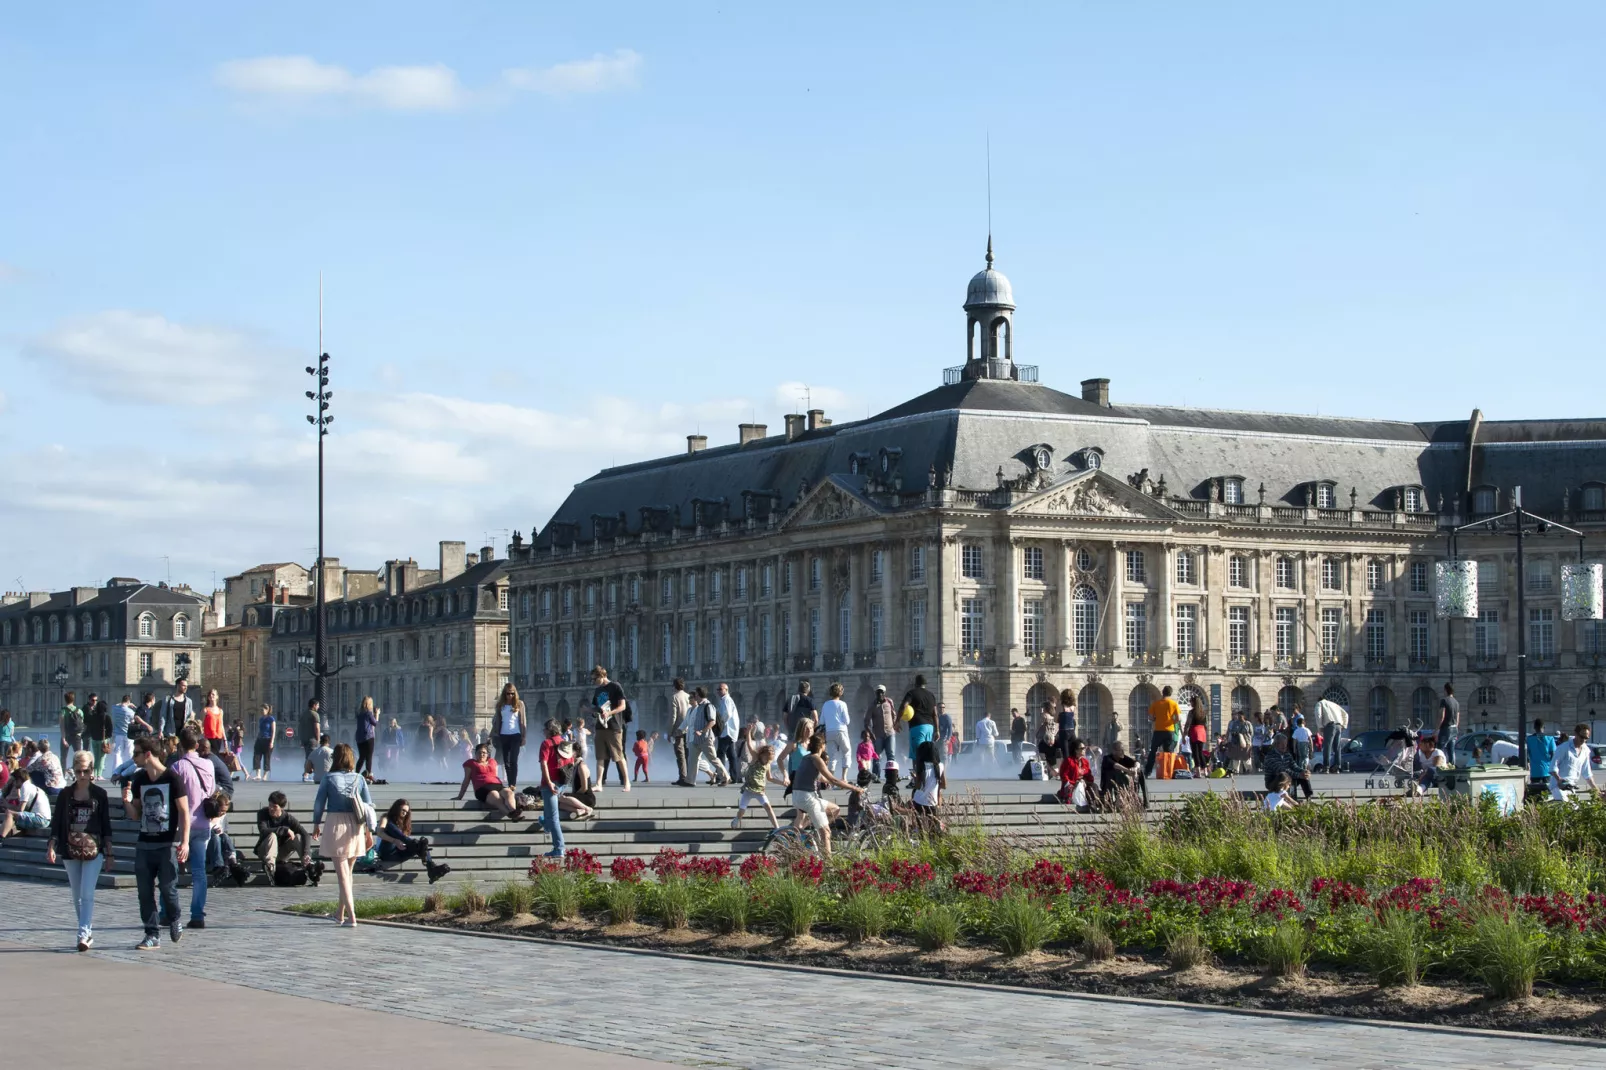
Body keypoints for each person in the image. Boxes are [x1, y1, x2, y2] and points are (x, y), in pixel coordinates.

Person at [127, 735, 191, 950]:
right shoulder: (139, 780)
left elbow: (184, 812)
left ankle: (175, 918)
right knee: (144, 892)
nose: (133, 757)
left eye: (136, 753)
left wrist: (185, 842)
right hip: (144, 845)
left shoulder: (172, 778)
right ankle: (152, 934)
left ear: (147, 754)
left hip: (167, 845)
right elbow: (136, 815)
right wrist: (127, 801)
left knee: (168, 889)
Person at [47, 750, 113, 950]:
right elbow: (57, 821)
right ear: (73, 771)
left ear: (92, 770)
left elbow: (106, 825)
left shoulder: (100, 794)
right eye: (78, 771)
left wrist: (110, 853)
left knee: (87, 893)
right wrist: (51, 845)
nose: (82, 775)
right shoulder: (66, 794)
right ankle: (86, 930)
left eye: (85, 771)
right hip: (70, 847)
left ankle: (83, 934)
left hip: (94, 848)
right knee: (76, 894)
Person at [312, 743, 377, 927]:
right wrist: (368, 831)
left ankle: (352, 916)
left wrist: (316, 823)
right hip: (356, 825)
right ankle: (340, 914)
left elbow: (319, 803)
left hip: (336, 823)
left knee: (342, 875)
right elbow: (368, 806)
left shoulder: (328, 778)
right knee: (347, 873)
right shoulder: (359, 778)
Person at [167, 728, 217, 929]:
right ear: (197, 745)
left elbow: (173, 796)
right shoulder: (209, 765)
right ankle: (197, 915)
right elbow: (212, 790)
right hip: (204, 822)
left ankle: (167, 913)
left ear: (180, 745)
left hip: (181, 825)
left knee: (170, 871)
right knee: (199, 872)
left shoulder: (177, 766)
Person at [790, 732, 862, 857]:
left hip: (800, 796)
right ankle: (828, 865)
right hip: (807, 798)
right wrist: (854, 788)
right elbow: (833, 780)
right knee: (826, 832)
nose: (825, 746)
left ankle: (813, 829)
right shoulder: (816, 759)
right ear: (821, 745)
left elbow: (823, 778)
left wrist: (844, 783)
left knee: (835, 809)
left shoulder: (807, 758)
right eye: (824, 744)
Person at [373, 799, 450, 882]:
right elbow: (380, 833)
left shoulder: (403, 822)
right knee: (391, 826)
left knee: (421, 845)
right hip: (386, 852)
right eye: (403, 810)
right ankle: (412, 842)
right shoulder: (386, 818)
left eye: (406, 812)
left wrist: (407, 845)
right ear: (396, 808)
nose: (404, 813)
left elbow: (402, 841)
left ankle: (432, 870)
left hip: (399, 853)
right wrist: (394, 841)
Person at [456, 742, 524, 819]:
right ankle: (511, 815)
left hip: (497, 785)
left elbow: (495, 776)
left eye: (484, 753)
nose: (482, 754)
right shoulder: (470, 763)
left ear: (487, 754)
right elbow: (466, 780)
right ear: (475, 753)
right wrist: (460, 796)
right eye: (479, 752)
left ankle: (513, 811)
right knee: (495, 795)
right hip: (482, 788)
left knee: (509, 793)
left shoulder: (492, 761)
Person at [589, 665, 631, 790]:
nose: (593, 682)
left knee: (619, 755)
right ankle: (598, 783)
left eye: (594, 679)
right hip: (600, 726)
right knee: (600, 756)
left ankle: (627, 782)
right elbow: (596, 708)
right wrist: (591, 711)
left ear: (601, 676)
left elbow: (622, 706)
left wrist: (610, 713)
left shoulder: (615, 686)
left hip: (614, 726)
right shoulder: (597, 691)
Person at [255, 790, 311, 876]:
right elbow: (263, 830)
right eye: (270, 805)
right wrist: (284, 830)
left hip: (281, 852)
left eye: (274, 806)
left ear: (281, 807)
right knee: (272, 835)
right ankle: (270, 868)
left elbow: (305, 834)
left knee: (295, 837)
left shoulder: (288, 818)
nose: (271, 808)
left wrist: (306, 853)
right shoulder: (263, 813)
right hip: (264, 851)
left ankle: (308, 865)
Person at [536, 719, 571, 859]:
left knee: (553, 817)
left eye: (544, 729)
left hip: (549, 782)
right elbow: (571, 762)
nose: (543, 732)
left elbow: (543, 765)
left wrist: (549, 782)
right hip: (563, 781)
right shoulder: (564, 742)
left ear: (549, 730)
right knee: (550, 813)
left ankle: (559, 848)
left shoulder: (546, 743)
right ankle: (545, 822)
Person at [731, 744, 786, 830]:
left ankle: (777, 828)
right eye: (766, 757)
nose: (767, 759)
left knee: (768, 807)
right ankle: (737, 819)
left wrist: (782, 783)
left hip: (760, 791)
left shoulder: (768, 765)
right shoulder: (755, 758)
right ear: (762, 754)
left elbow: (770, 778)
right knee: (742, 810)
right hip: (748, 789)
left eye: (769, 757)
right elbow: (749, 745)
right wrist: (749, 732)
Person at [1, 760, 52, 841]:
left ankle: (1, 839)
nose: (14, 784)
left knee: (10, 813)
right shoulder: (29, 786)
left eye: (15, 781)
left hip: (41, 819)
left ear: (19, 779)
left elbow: (20, 810)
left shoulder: (25, 787)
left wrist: (7, 805)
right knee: (9, 817)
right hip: (42, 818)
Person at [690, 686, 731, 785]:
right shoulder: (699, 706)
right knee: (692, 760)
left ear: (699, 695)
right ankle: (690, 781)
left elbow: (712, 721)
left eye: (695, 694)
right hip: (697, 739)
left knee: (713, 759)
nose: (694, 696)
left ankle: (727, 777)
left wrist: (702, 731)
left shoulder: (709, 706)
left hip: (705, 738)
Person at [493, 683, 527, 788]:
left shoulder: (519, 704)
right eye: (508, 693)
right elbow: (497, 721)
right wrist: (493, 734)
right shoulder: (500, 705)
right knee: (506, 761)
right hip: (504, 735)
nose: (510, 696)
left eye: (512, 693)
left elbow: (523, 721)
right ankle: (509, 783)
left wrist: (524, 736)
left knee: (513, 760)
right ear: (504, 693)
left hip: (515, 734)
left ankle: (513, 783)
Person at [1550, 724, 1596, 802]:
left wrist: (1596, 791)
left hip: (1571, 787)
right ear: (1576, 734)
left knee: (1575, 810)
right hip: (1558, 787)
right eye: (1582, 737)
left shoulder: (1586, 750)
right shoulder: (1564, 747)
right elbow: (1552, 767)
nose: (1583, 740)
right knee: (1566, 806)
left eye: (1586, 738)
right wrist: (1559, 780)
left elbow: (1587, 774)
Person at [1143, 686, 1181, 776]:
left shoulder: (1156, 704)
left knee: (1153, 751)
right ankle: (1168, 771)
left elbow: (1151, 717)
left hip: (1158, 730)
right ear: (1170, 693)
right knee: (1168, 752)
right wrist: (1171, 721)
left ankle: (1147, 771)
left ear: (1162, 692)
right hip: (1169, 730)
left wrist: (1156, 719)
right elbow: (1178, 718)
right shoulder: (1173, 704)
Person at [899, 674, 939, 761]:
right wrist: (937, 731)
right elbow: (935, 714)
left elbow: (904, 706)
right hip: (930, 728)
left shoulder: (912, 693)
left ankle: (918, 773)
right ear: (925, 684)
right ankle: (927, 773)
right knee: (927, 752)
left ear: (915, 683)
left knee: (917, 754)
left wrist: (897, 721)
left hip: (917, 727)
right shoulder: (931, 695)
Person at [909, 740, 947, 830]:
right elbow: (944, 785)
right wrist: (934, 786)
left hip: (918, 802)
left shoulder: (920, 766)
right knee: (932, 829)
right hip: (932, 803)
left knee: (920, 828)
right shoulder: (940, 766)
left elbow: (918, 787)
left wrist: (914, 778)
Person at [818, 683, 852, 777]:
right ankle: (843, 777)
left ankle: (831, 779)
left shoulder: (826, 704)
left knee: (832, 756)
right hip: (841, 731)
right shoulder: (842, 704)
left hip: (829, 732)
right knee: (846, 752)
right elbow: (847, 721)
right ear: (841, 693)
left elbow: (821, 721)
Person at [1099, 740, 1146, 807]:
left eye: (1123, 750)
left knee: (1140, 772)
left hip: (1121, 786)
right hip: (1108, 787)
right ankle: (1116, 800)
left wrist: (1135, 768)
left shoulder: (1123, 757)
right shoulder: (1106, 758)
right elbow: (1115, 765)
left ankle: (1143, 800)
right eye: (1120, 750)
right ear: (1114, 751)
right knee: (1118, 772)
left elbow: (1137, 762)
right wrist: (1127, 770)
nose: (1122, 752)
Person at [1058, 738, 1097, 812]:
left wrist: (1084, 781)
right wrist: (1075, 782)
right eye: (1082, 748)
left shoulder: (1085, 762)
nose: (1084, 749)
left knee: (1094, 786)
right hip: (1073, 785)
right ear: (1076, 750)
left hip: (1083, 784)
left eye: (1085, 748)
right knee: (1080, 785)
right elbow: (1063, 776)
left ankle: (1094, 805)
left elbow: (1090, 777)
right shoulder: (1069, 761)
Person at [669, 678, 693, 787]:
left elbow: (673, 716)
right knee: (688, 753)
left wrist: (670, 731)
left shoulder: (675, 697)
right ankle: (689, 777)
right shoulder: (689, 696)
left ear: (674, 686)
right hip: (689, 728)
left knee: (680, 754)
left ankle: (683, 777)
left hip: (679, 729)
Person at [866, 686, 897, 772]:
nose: (880, 694)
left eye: (881, 692)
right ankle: (876, 775)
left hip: (890, 733)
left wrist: (894, 725)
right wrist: (870, 734)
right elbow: (866, 721)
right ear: (875, 693)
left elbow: (894, 714)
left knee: (891, 755)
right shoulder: (872, 705)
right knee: (876, 755)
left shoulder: (889, 702)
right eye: (878, 692)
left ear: (884, 693)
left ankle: (891, 774)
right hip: (878, 734)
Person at [715, 682, 742, 782]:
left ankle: (720, 776)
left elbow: (727, 713)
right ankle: (734, 777)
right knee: (731, 755)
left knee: (720, 753)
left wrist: (720, 724)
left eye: (721, 689)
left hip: (726, 731)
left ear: (726, 690)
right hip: (729, 731)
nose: (718, 691)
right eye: (718, 689)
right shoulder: (724, 700)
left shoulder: (726, 699)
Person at [1315, 695, 1348, 773]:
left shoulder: (1320, 703)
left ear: (1319, 700)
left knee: (1327, 746)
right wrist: (1344, 725)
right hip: (1338, 725)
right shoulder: (1333, 704)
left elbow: (1318, 714)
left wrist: (1320, 726)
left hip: (1330, 725)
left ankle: (1326, 767)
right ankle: (1337, 766)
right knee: (1337, 747)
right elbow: (1346, 714)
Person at [83, 695, 111, 778]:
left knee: (96, 757)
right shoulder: (106, 717)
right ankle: (99, 774)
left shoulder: (93, 716)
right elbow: (110, 729)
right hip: (103, 740)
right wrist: (108, 737)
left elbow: (90, 726)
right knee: (102, 758)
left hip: (94, 739)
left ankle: (94, 774)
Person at [1527, 718, 1558, 795]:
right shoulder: (1550, 739)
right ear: (1544, 727)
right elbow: (1554, 756)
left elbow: (1526, 754)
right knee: (1548, 794)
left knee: (1535, 795)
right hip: (1547, 771)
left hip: (1534, 771)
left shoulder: (1529, 739)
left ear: (1534, 728)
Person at [354, 695, 379, 778]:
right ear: (369, 704)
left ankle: (356, 773)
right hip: (368, 736)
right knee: (369, 757)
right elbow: (375, 723)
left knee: (362, 757)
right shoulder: (368, 713)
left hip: (359, 737)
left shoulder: (359, 713)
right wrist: (377, 714)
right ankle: (368, 774)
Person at [298, 699, 322, 778]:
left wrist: (301, 739)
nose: (318, 707)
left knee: (308, 756)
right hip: (312, 739)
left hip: (304, 738)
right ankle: (306, 773)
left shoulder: (303, 714)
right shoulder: (315, 714)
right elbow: (317, 728)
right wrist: (318, 739)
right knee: (311, 757)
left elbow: (300, 728)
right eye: (318, 705)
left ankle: (308, 772)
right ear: (314, 705)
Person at [1185, 696, 1210, 774]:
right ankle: (1205, 770)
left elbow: (1188, 723)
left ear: (1194, 702)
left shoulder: (1192, 712)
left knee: (1195, 752)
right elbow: (1206, 725)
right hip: (1202, 731)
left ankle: (1198, 771)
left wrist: (1184, 733)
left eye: (1191, 701)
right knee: (1200, 751)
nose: (1190, 703)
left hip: (1194, 731)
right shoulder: (1204, 713)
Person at [251, 704, 276, 780]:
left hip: (268, 740)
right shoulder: (261, 719)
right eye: (260, 710)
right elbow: (260, 730)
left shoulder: (271, 719)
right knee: (256, 756)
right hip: (260, 739)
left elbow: (273, 731)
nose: (261, 712)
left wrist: (272, 742)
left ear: (267, 710)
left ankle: (265, 775)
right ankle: (258, 774)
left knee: (267, 758)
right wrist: (257, 738)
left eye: (262, 710)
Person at [1225, 707, 1253, 774]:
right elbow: (1232, 731)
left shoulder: (1248, 723)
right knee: (1236, 757)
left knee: (1246, 756)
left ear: (1243, 716)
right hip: (1236, 742)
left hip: (1246, 742)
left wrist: (1246, 736)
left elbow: (1251, 733)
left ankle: (1248, 769)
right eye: (1238, 715)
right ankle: (1236, 770)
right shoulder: (1235, 723)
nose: (1239, 717)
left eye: (1240, 715)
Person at [200, 689, 226, 755]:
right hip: (209, 737)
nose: (211, 696)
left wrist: (225, 740)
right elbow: (201, 725)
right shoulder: (205, 710)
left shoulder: (220, 711)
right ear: (208, 697)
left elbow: (221, 725)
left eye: (213, 694)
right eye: (210, 694)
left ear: (217, 696)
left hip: (219, 738)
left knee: (217, 755)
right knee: (211, 756)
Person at [1056, 690, 1078, 764]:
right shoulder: (1073, 706)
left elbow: (1058, 719)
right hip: (1071, 730)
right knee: (1074, 750)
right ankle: (1075, 767)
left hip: (1064, 730)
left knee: (1066, 755)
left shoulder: (1062, 705)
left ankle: (1068, 768)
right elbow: (1073, 718)